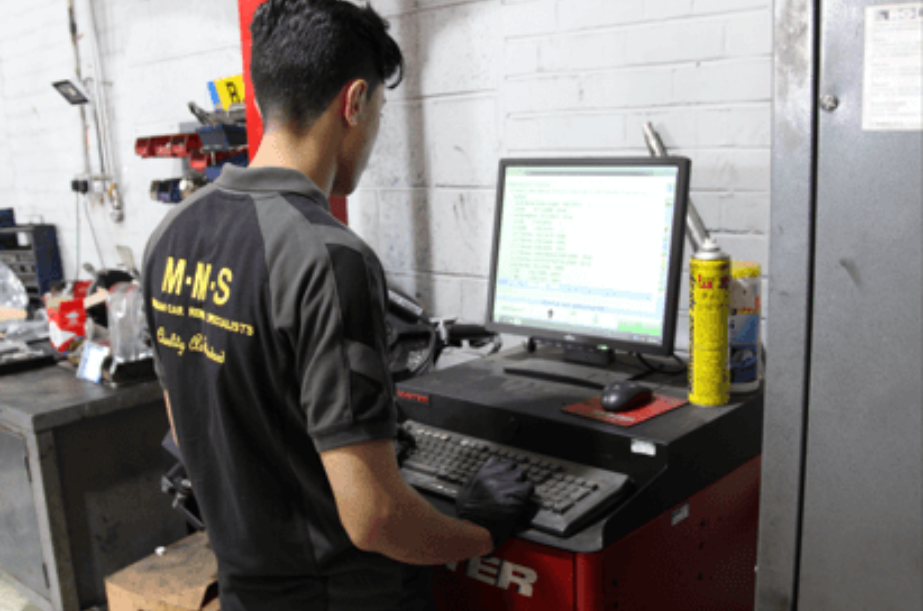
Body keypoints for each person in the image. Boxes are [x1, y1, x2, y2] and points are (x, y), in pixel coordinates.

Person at [141, 1, 534, 610]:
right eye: (378, 109)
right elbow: (374, 518)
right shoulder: (329, 257)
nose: (374, 130)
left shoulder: (172, 234)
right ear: (354, 103)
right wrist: (478, 531)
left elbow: (191, 427)